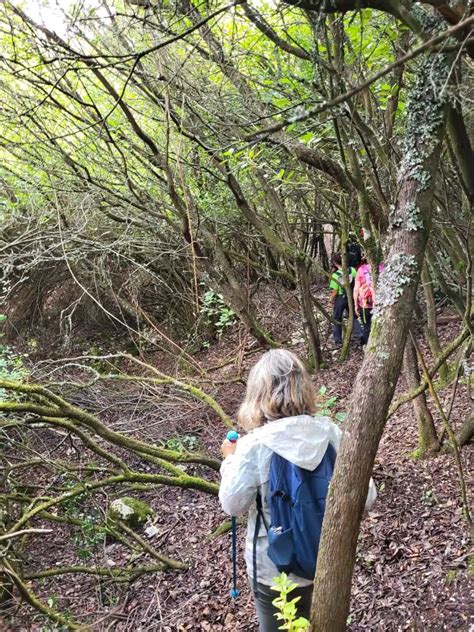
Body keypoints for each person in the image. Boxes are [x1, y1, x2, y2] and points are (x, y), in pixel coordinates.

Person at [219, 349, 377, 632]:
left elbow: (232, 505)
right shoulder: (333, 435)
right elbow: (368, 497)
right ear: (304, 387)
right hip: (329, 562)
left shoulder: (253, 447)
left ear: (257, 394)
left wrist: (230, 459)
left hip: (273, 572)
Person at [329, 253, 361, 348]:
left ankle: (338, 340)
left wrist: (330, 300)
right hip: (351, 297)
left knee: (337, 318)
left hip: (340, 298)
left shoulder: (336, 275)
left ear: (335, 263)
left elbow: (334, 291)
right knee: (353, 316)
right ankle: (359, 335)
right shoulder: (352, 270)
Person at [353, 260, 384, 346]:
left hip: (365, 304)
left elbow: (356, 290)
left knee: (367, 327)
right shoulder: (383, 268)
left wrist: (356, 305)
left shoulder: (361, 270)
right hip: (380, 302)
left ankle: (367, 346)